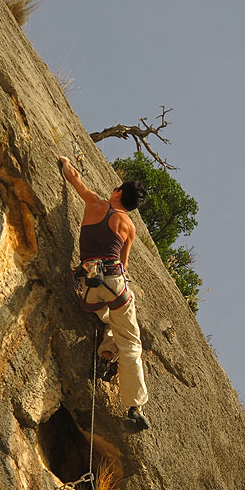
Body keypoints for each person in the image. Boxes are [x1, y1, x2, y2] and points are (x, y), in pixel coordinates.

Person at [59, 156, 150, 430]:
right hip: (113, 282)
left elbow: (73, 178)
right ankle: (134, 406)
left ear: (118, 192)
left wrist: (65, 161)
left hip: (86, 287)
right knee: (131, 342)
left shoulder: (95, 203)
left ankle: (108, 352)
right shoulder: (129, 228)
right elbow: (123, 265)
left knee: (108, 316)